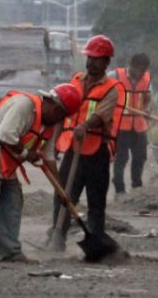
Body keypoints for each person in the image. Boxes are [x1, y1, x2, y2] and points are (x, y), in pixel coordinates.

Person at [0, 84, 81, 262]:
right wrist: (27, 154)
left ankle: (10, 251)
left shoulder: (50, 124)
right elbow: (5, 136)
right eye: (61, 116)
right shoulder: (24, 105)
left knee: (12, 202)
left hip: (6, 162)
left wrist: (60, 190)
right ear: (55, 108)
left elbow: (48, 156)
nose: (60, 121)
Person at [47, 35, 126, 251]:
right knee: (63, 196)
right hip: (73, 149)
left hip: (96, 152)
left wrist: (86, 125)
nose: (91, 62)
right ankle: (57, 237)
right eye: (89, 57)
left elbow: (102, 114)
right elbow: (63, 110)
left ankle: (96, 242)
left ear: (106, 62)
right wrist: (54, 142)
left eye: (96, 59)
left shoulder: (111, 88)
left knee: (96, 202)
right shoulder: (76, 81)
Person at [109, 53, 153, 199]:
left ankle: (137, 187)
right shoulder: (116, 75)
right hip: (121, 125)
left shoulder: (146, 79)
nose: (141, 73)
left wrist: (147, 109)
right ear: (132, 66)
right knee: (121, 158)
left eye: (144, 70)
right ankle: (119, 189)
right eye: (140, 70)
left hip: (139, 125)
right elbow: (104, 91)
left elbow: (148, 98)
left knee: (140, 157)